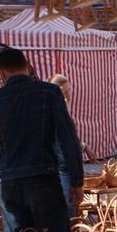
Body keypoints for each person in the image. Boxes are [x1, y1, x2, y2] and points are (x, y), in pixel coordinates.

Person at [0, 49, 83, 232]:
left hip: (11, 186)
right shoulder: (49, 92)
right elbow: (68, 139)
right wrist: (76, 181)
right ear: (27, 66)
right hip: (45, 180)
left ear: (1, 72)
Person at [48, 73, 96, 221]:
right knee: (68, 206)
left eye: (69, 91)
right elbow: (56, 141)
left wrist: (83, 146)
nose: (68, 96)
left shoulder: (64, 108)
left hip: (66, 163)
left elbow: (67, 139)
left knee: (72, 206)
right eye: (64, 92)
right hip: (60, 165)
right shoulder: (50, 110)